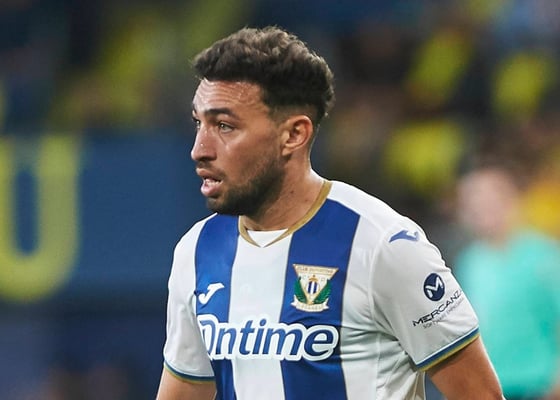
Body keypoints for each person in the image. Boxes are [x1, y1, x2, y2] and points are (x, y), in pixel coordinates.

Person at [156, 26, 504, 400]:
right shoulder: (196, 251)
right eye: (199, 123)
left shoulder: (381, 244)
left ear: (294, 135)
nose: (200, 149)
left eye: (225, 126)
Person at [454, 162, 560, 400]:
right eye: (473, 205)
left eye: (489, 202)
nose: (481, 211)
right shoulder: (470, 262)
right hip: (493, 386)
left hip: (538, 385)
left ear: (510, 201)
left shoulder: (544, 255)